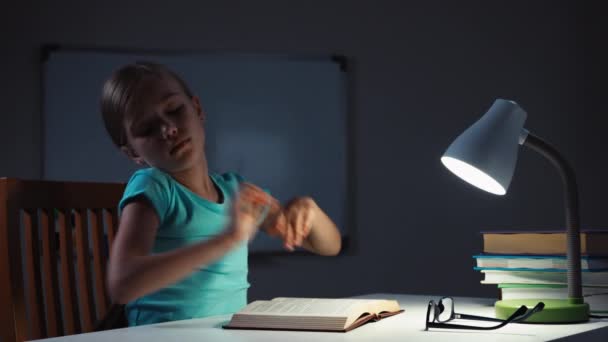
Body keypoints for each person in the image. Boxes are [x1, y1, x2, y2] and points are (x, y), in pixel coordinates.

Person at [100, 61, 342, 326]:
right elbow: (123, 284)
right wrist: (227, 240)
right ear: (133, 152)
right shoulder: (153, 186)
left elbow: (330, 246)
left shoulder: (235, 190)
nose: (169, 129)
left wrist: (310, 211)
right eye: (147, 128)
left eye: (175, 110)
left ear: (198, 109)